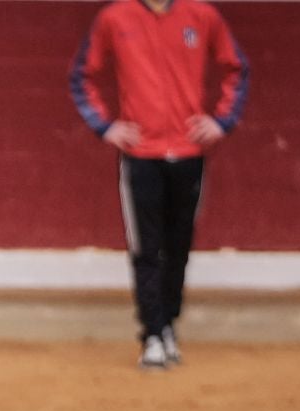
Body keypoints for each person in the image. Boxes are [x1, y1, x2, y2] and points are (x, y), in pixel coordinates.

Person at [70, 0, 250, 371]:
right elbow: (81, 76)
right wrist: (105, 126)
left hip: (189, 152)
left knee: (179, 245)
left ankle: (168, 323)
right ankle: (152, 333)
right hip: (141, 154)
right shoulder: (115, 18)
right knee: (147, 248)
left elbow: (237, 68)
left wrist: (222, 121)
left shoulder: (201, 16)